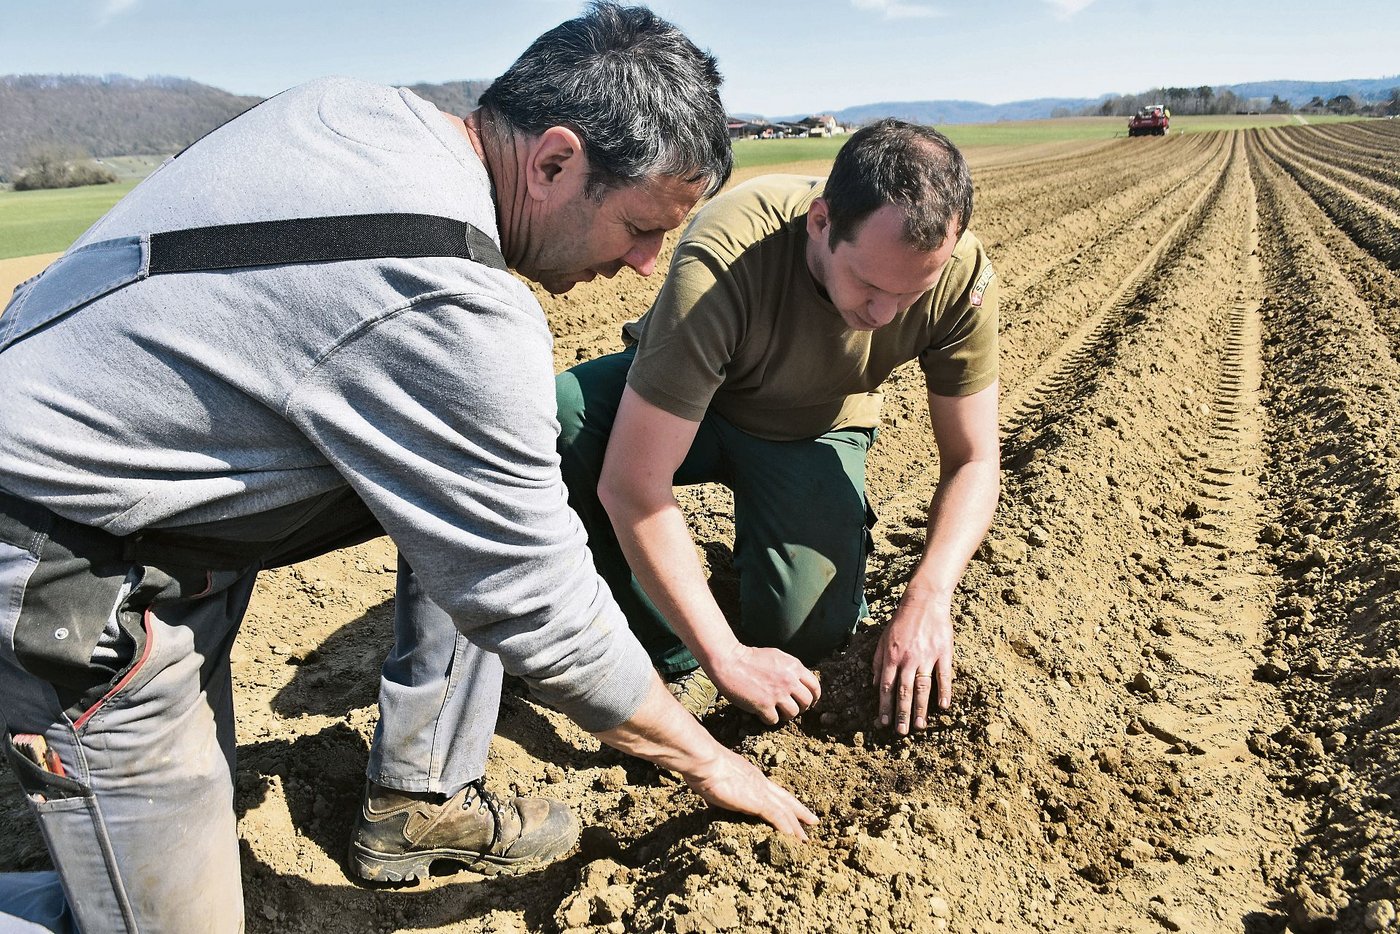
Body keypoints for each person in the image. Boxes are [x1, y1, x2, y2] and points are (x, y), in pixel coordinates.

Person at [0, 4, 815, 932]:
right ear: (554, 162)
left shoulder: (351, 110)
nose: (644, 265)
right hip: (63, 565)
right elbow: (536, 600)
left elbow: (491, 520)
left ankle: (417, 799)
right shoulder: (445, 298)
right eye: (637, 227)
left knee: (490, 478)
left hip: (132, 496)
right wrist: (707, 758)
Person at [555, 119, 1001, 734]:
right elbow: (633, 483)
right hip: (701, 405)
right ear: (820, 222)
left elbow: (975, 460)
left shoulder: (957, 279)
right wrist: (722, 655)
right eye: (868, 284)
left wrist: (928, 596)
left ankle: (750, 576)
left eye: (910, 293)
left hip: (812, 427)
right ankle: (661, 643)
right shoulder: (727, 257)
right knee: (561, 422)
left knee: (805, 642)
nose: (883, 313)